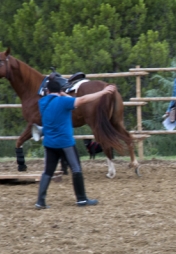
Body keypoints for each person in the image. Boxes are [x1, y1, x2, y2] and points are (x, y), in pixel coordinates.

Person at [35, 76, 117, 209]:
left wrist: (62, 94)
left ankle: (40, 201)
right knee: (76, 169)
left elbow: (61, 100)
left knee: (47, 172)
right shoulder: (63, 102)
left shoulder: (43, 102)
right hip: (65, 143)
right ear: (60, 90)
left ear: (48, 91)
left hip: (49, 143)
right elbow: (83, 100)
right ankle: (81, 199)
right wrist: (103, 92)